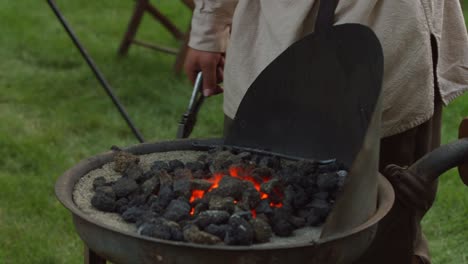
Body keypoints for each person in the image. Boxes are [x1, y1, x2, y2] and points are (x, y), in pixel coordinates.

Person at [184, 1, 468, 263]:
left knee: (389, 231)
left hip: (392, 41)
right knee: (262, 226)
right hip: (279, 45)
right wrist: (209, 25)